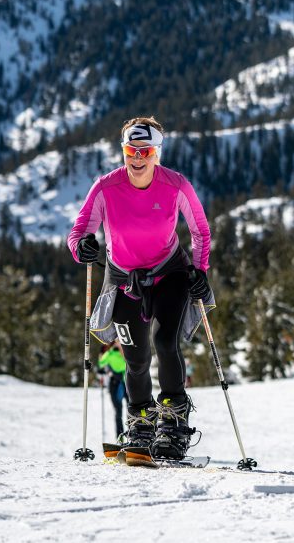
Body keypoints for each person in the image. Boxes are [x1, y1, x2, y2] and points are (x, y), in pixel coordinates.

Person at [67, 116, 215, 459]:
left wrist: (200, 270)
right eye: (131, 150)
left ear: (157, 153)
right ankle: (141, 422)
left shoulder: (176, 185)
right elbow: (78, 233)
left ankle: (174, 422)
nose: (137, 158)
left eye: (145, 151)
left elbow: (201, 231)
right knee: (135, 357)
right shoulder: (105, 187)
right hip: (123, 279)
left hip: (170, 274)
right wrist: (82, 249)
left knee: (165, 341)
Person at [97, 341, 127, 438]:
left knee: (123, 411)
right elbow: (101, 364)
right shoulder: (110, 353)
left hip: (123, 383)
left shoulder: (110, 353)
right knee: (122, 411)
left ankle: (124, 436)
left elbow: (101, 363)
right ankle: (121, 436)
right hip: (120, 383)